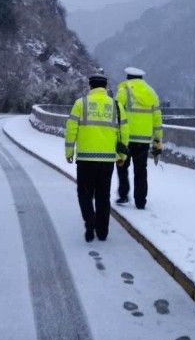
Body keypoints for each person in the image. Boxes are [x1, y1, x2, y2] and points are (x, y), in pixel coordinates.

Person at [65, 72, 129, 242]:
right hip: (107, 160)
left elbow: (71, 130)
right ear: (106, 87)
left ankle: (89, 222)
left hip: (85, 159)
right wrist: (122, 155)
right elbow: (124, 133)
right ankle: (102, 232)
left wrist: (69, 152)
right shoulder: (116, 106)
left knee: (84, 194)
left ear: (90, 86)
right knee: (103, 195)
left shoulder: (81, 104)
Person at [115, 66, 163, 209]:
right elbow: (157, 120)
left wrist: (115, 135)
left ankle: (123, 195)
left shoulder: (124, 92)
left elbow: (116, 115)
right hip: (143, 140)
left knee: (122, 166)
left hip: (126, 139)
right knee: (141, 170)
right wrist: (157, 140)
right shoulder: (151, 93)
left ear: (128, 77)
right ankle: (141, 201)